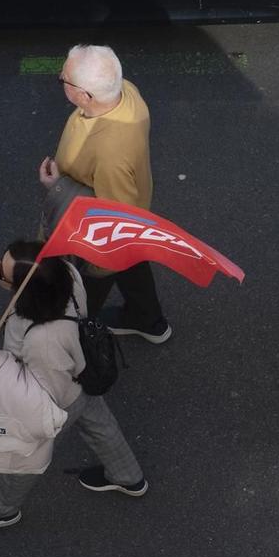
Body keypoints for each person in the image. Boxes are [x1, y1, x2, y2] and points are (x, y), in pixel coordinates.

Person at [0, 244, 147, 537]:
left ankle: (0, 509)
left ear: (26, 291)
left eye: (3, 274)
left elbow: (40, 395)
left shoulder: (42, 340)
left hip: (61, 398)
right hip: (80, 377)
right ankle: (127, 475)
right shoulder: (65, 273)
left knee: (23, 460)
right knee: (99, 423)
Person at [40, 44, 171, 340]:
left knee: (85, 294)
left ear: (86, 96)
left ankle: (75, 337)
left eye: (64, 79)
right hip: (136, 209)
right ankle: (148, 319)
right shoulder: (125, 92)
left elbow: (113, 221)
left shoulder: (110, 155)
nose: (61, 76)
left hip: (98, 246)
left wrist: (58, 187)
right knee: (133, 260)